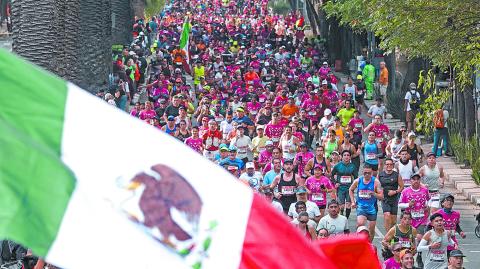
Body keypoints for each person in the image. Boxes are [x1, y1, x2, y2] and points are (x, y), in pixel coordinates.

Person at [399, 173, 430, 268]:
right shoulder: (405, 191)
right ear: (410, 181)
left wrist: (427, 206)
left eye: (418, 179)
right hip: (409, 219)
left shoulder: (425, 190)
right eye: (414, 179)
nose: (416, 181)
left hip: (422, 219)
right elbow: (400, 204)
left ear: (420, 180)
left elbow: (429, 200)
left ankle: (419, 256)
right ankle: (407, 260)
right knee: (409, 241)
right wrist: (408, 205)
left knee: (420, 238)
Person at [349, 164, 384, 242]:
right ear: (362, 172)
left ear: (372, 172)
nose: (367, 174)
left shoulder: (375, 181)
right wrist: (353, 202)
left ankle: (369, 244)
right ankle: (358, 240)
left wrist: (374, 194)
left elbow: (382, 196)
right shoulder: (358, 181)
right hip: (361, 207)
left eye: (369, 173)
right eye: (365, 173)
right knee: (360, 223)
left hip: (372, 208)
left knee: (371, 228)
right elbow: (350, 190)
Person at [379, 158, 404, 232]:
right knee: (387, 216)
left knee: (393, 221)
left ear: (393, 165)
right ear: (384, 165)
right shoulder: (380, 175)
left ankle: (392, 234)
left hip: (394, 199)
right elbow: (377, 186)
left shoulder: (397, 175)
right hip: (385, 199)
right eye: (387, 164)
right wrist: (379, 193)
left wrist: (395, 191)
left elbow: (402, 187)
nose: (389, 165)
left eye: (390, 164)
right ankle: (387, 236)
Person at [331, 150, 358, 219]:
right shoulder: (337, 166)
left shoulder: (353, 166)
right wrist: (335, 183)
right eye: (345, 155)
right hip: (340, 188)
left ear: (350, 157)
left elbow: (356, 177)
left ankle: (346, 218)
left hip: (349, 188)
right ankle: (342, 214)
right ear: (342, 157)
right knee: (341, 205)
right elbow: (332, 175)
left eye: (348, 155)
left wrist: (354, 186)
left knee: (348, 205)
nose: (346, 157)